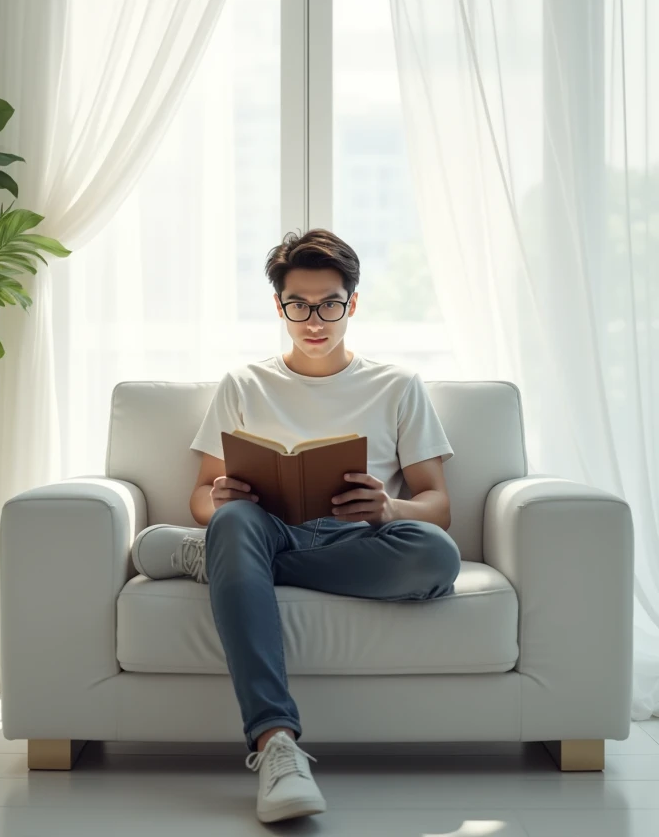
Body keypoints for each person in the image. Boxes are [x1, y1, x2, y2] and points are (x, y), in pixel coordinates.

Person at [131, 228, 461, 824]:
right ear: (279, 306)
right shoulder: (244, 384)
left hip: (358, 539)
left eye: (329, 303)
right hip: (266, 528)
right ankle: (275, 742)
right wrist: (220, 496)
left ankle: (224, 565)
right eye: (298, 305)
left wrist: (390, 508)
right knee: (232, 521)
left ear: (352, 304)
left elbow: (437, 505)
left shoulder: (397, 385)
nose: (315, 320)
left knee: (437, 555)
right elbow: (201, 498)